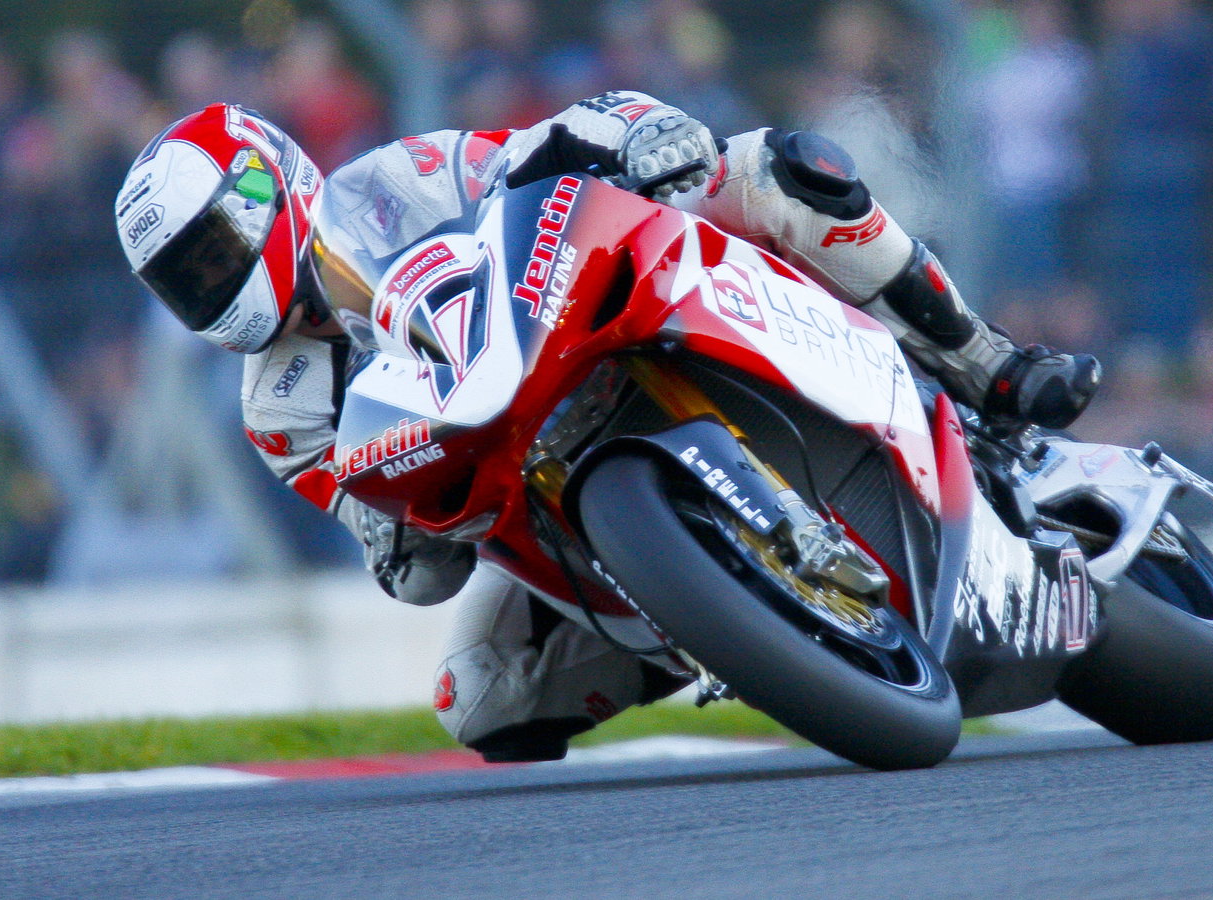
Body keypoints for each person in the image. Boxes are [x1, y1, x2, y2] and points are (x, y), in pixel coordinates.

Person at [115, 92, 1100, 761]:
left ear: (263, 188)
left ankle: (989, 365)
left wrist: (626, 136)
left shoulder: (387, 183)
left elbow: (531, 162)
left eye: (210, 254)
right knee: (479, 700)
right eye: (184, 284)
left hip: (583, 313)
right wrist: (389, 527)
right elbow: (412, 569)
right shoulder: (277, 409)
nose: (209, 288)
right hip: (529, 491)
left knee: (776, 165)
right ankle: (713, 619)